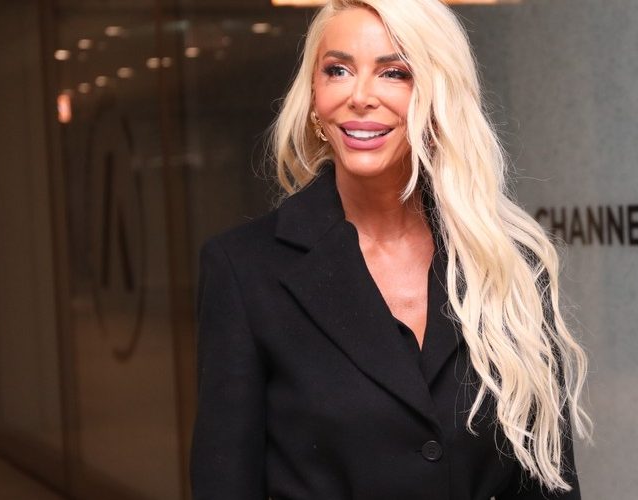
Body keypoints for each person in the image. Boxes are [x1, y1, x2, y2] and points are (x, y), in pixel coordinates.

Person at [189, 1, 589, 498]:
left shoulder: (508, 262)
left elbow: (549, 480)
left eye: (394, 72)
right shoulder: (244, 271)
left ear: (437, 95)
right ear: (314, 97)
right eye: (337, 70)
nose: (360, 96)